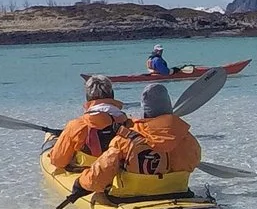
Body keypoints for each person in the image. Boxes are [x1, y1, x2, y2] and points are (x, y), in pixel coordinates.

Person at [57, 82, 201, 200]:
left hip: (130, 198)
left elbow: (101, 173)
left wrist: (81, 183)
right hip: (178, 193)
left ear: (144, 111)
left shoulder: (125, 138)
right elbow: (192, 162)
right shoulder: (187, 138)